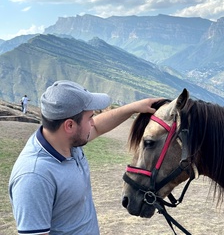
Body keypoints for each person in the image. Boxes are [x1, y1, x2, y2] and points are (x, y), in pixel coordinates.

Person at [9, 80, 159, 235]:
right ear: (69, 126)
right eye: (90, 118)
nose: (93, 123)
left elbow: (99, 126)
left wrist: (135, 107)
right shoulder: (34, 177)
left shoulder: (66, 143)